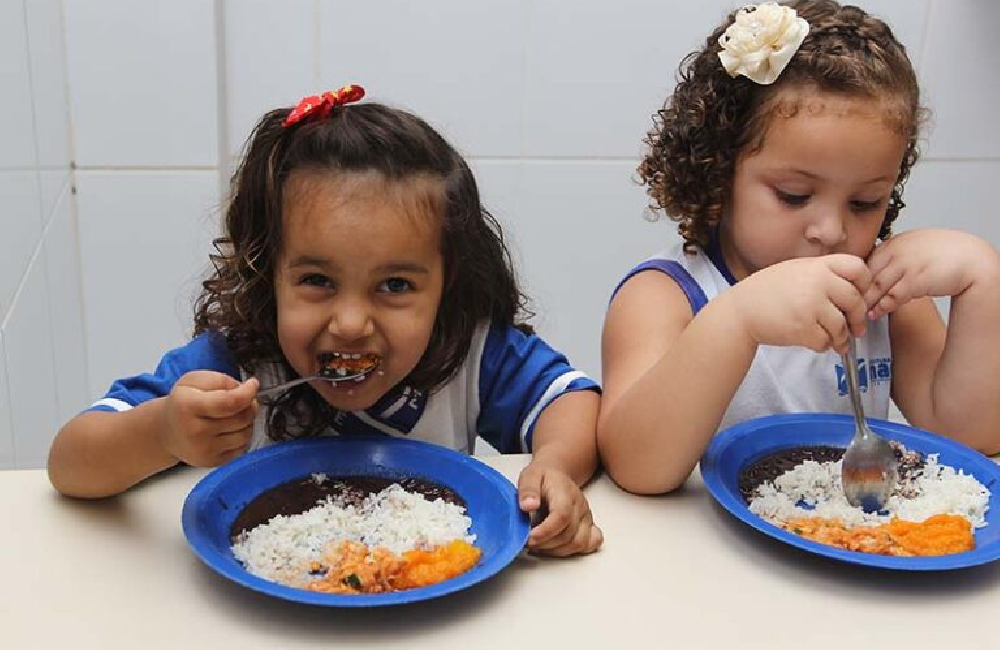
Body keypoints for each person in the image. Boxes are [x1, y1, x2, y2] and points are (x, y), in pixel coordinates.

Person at [49, 85, 603, 556]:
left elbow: (572, 402)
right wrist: (162, 431)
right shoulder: (240, 364)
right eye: (317, 281)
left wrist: (554, 465)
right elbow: (71, 462)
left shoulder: (468, 353)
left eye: (395, 286)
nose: (351, 322)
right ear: (267, 273)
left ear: (447, 284)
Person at [598, 1, 1000, 495]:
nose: (831, 230)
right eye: (794, 195)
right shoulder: (664, 297)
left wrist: (985, 282)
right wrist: (738, 319)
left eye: (864, 201)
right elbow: (637, 468)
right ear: (719, 171)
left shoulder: (885, 300)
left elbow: (971, 438)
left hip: (855, 549)